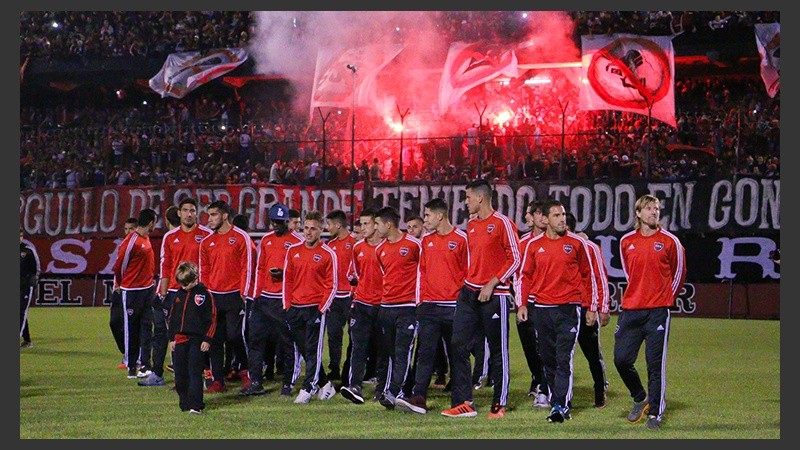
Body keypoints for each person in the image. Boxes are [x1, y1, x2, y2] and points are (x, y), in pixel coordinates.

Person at [442, 179, 520, 419]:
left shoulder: (502, 223)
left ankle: (499, 403)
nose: (465, 202)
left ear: (480, 198)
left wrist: (492, 282)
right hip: (469, 293)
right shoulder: (472, 225)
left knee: (498, 350)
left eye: (467, 198)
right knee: (457, 344)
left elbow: (516, 258)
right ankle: (464, 402)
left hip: (494, 295)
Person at [517, 200, 600, 423]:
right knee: (548, 359)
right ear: (545, 220)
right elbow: (525, 276)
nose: (562, 219)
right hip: (542, 309)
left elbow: (588, 275)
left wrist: (592, 306)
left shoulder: (576, 243)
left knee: (564, 358)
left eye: (563, 214)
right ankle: (557, 400)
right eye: (556, 215)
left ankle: (561, 405)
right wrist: (522, 304)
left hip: (569, 310)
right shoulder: (534, 246)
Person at [615, 194, 686, 430]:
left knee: (654, 364)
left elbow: (678, 274)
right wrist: (639, 295)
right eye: (648, 209)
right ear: (638, 213)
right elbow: (629, 274)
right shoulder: (626, 241)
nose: (654, 212)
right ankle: (640, 396)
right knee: (622, 359)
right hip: (632, 310)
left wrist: (665, 300)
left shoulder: (670, 241)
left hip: (657, 312)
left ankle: (655, 414)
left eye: (656, 208)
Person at [395, 198, 466, 415]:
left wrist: (465, 305)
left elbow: (468, 273)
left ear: (440, 216)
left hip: (454, 306)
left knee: (457, 355)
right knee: (424, 354)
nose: (425, 220)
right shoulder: (427, 241)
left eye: (427, 216)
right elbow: (422, 272)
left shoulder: (461, 239)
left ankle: (461, 401)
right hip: (429, 307)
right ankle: (419, 398)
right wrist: (421, 301)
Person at [140, 199, 212, 387]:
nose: (189, 214)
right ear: (179, 213)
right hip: (173, 291)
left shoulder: (206, 234)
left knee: (196, 334)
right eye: (186, 210)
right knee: (165, 333)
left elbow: (208, 265)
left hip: (196, 291)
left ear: (197, 213)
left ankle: (205, 374)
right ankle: (158, 373)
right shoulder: (170, 237)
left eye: (192, 210)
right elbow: (166, 266)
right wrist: (163, 293)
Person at [240, 202, 304, 397]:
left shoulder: (296, 241)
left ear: (287, 222)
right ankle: (256, 381)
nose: (276, 225)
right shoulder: (266, 240)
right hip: (264, 299)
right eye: (273, 221)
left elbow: (299, 271)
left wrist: (283, 274)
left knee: (287, 342)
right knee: (256, 340)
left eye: (280, 222)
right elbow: (259, 268)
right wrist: (256, 294)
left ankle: (288, 382)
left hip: (282, 300)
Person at [199, 200, 255, 393]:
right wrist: (205, 293)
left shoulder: (241, 237)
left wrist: (244, 292)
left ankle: (246, 371)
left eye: (214, 215)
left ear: (224, 216)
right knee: (214, 339)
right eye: (209, 215)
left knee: (235, 336)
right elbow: (204, 270)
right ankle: (217, 380)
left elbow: (246, 267)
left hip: (234, 296)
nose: (210, 219)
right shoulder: (207, 242)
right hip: (214, 296)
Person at [282, 211, 338, 404]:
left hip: (314, 308)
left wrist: (322, 308)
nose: (308, 232)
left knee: (313, 350)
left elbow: (332, 284)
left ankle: (308, 387)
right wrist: (287, 305)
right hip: (295, 308)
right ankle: (325, 384)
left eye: (313, 228)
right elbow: (287, 280)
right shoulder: (293, 251)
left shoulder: (328, 254)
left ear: (321, 230)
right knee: (305, 350)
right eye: (306, 228)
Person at [372, 206, 421, 409]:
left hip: (408, 307)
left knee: (402, 352)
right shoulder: (380, 249)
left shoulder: (413, 244)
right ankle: (402, 389)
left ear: (388, 224)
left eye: (377, 224)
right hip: (386, 307)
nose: (375, 228)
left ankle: (394, 392)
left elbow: (423, 270)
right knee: (392, 352)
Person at [565, 212, 611, 408]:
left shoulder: (589, 247)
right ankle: (561, 395)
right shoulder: (557, 246)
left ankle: (600, 391)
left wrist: (603, 307)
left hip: (585, 308)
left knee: (592, 354)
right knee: (563, 355)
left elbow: (600, 276)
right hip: (564, 307)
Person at [340, 208, 385, 405]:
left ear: (376, 225)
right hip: (361, 304)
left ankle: (382, 387)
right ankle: (355, 385)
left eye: (366, 223)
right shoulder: (358, 248)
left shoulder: (386, 247)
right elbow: (353, 273)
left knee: (384, 350)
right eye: (361, 224)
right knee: (358, 348)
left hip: (383, 305)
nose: (362, 227)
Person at [112, 208, 158, 379]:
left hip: (147, 290)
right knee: (131, 329)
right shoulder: (131, 241)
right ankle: (131, 365)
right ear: (151, 222)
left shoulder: (146, 239)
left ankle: (145, 365)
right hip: (131, 291)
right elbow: (120, 265)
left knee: (147, 328)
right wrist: (122, 282)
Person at [513, 200, 549, 407]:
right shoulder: (523, 243)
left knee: (545, 347)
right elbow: (518, 275)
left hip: (547, 303)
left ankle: (545, 387)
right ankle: (537, 378)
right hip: (527, 303)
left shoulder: (559, 240)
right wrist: (521, 303)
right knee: (529, 348)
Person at [168, 261, 217, 414]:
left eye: (186, 283)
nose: (184, 286)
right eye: (181, 283)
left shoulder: (204, 294)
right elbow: (172, 318)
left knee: (194, 372)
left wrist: (207, 339)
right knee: (180, 375)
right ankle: (184, 403)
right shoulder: (178, 295)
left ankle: (196, 405)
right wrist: (171, 338)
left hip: (197, 340)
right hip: (180, 340)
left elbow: (212, 318)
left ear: (195, 279)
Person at [324, 209, 357, 381]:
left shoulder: (355, 242)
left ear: (338, 225)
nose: (327, 227)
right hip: (335, 297)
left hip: (351, 297)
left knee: (354, 336)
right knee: (334, 334)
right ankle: (334, 368)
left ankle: (349, 370)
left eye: (329, 224)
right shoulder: (330, 245)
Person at [110, 217, 139, 368]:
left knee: (133, 325)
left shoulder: (140, 245)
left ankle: (133, 357)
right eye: (126, 229)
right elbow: (118, 268)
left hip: (133, 291)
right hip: (119, 290)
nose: (128, 232)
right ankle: (127, 352)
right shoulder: (123, 245)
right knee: (115, 322)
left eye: (131, 229)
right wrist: (116, 285)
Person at [20, 230, 40, 349]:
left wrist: (34, 280)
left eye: (20, 235)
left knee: (21, 311)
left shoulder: (28, 250)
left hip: (25, 286)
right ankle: (27, 340)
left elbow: (36, 267)